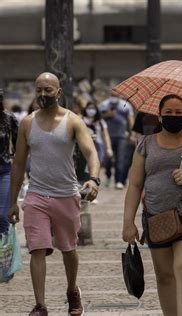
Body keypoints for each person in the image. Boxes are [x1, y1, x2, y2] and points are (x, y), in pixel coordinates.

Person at [8, 72, 101, 316]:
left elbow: (91, 153)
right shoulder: (27, 123)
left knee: (68, 249)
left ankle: (72, 290)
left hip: (66, 195)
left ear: (59, 92)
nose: (43, 95)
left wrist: (93, 179)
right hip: (36, 195)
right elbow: (18, 164)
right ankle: (40, 305)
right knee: (37, 249)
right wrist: (12, 202)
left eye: (48, 90)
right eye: (39, 90)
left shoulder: (72, 121)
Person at [122, 94, 182, 315]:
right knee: (164, 276)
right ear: (160, 115)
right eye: (169, 113)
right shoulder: (145, 144)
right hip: (156, 217)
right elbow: (135, 185)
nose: (174, 117)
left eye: (178, 113)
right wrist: (128, 222)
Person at [99, 95, 134, 189]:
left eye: (115, 95)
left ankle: (118, 181)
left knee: (120, 159)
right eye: (112, 95)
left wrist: (132, 134)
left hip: (121, 136)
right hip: (108, 136)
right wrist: (107, 114)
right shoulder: (104, 104)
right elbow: (97, 117)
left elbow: (130, 120)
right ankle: (108, 175)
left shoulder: (126, 106)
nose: (113, 97)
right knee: (107, 159)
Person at [0, 89, 18, 234]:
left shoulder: (9, 117)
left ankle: (4, 252)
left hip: (4, 169)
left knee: (3, 215)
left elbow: (20, 145)